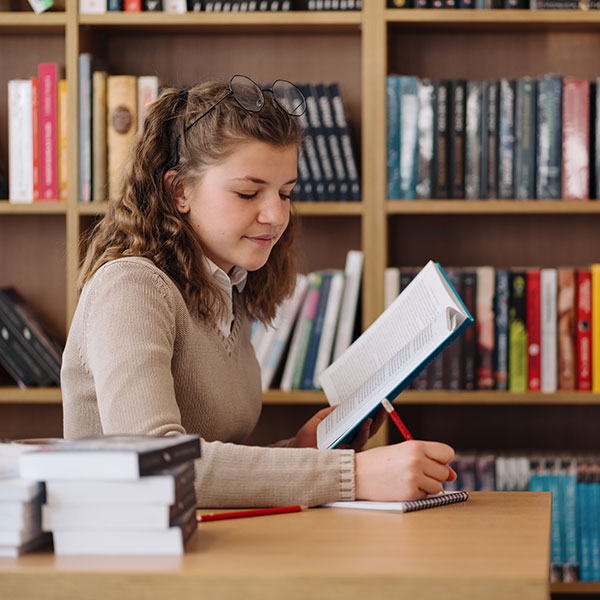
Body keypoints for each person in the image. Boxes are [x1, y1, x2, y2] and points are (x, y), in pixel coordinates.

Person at [61, 75, 456, 507]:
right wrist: (350, 475)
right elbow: (157, 467)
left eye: (286, 193)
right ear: (180, 191)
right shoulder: (132, 288)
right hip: (123, 563)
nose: (275, 215)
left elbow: (209, 470)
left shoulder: (227, 287)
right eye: (248, 192)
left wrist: (301, 452)